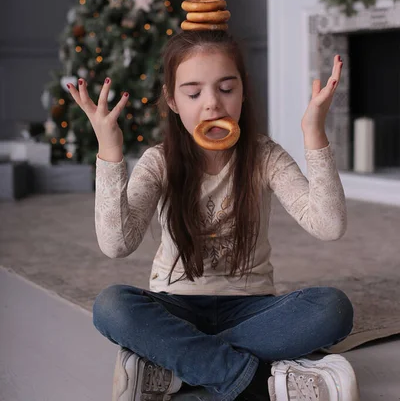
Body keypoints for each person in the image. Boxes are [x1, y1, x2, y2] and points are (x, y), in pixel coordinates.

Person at [67, 20, 359, 401]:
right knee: (111, 306)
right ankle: (258, 380)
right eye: (193, 93)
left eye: (226, 88)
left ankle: (172, 365)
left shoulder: (263, 155)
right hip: (175, 304)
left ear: (242, 92)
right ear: (172, 101)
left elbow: (329, 225)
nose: (212, 103)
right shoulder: (158, 162)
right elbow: (116, 244)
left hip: (252, 307)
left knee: (333, 309)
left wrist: (314, 133)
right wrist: (109, 150)